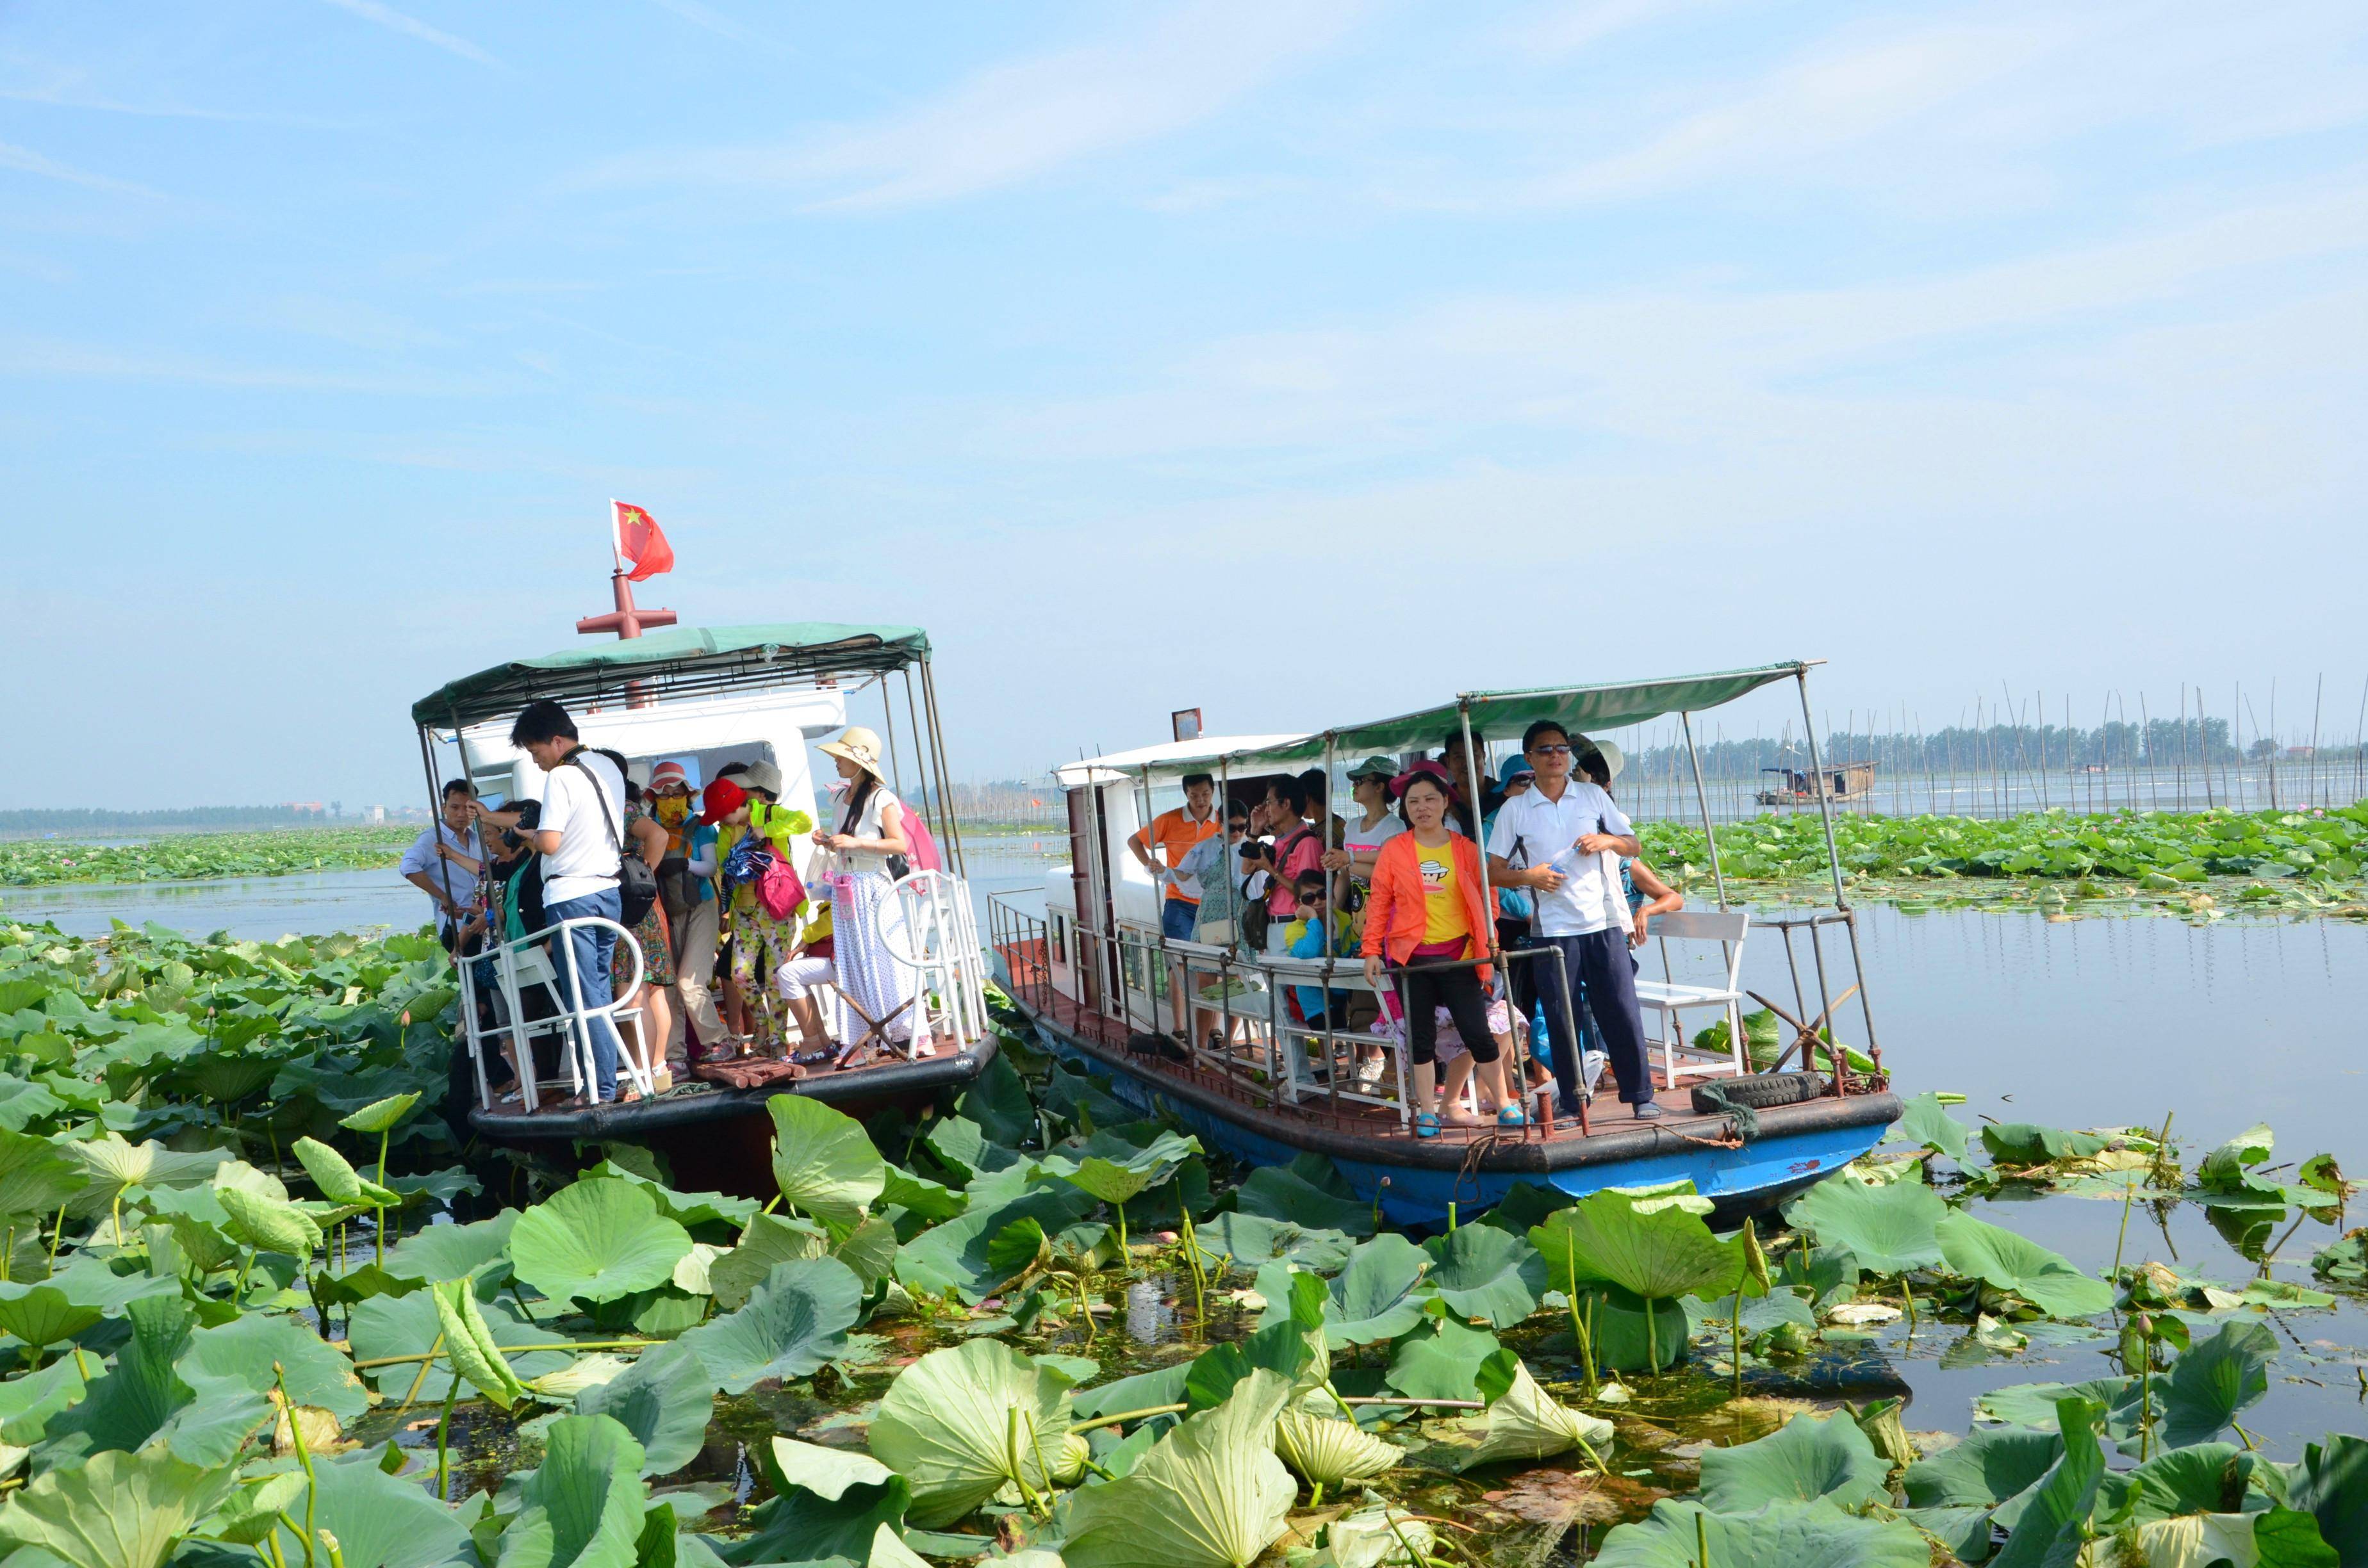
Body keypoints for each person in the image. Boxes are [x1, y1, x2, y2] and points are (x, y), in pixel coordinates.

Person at [1486, 720, 1657, 1122]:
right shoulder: (1515, 808)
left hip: (1602, 923)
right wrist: (1530, 877)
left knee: (1621, 1009)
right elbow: (1492, 871)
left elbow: (1633, 843)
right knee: (1562, 1017)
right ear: (1530, 758)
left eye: (1562, 749)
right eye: (1545, 750)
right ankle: (1572, 1096)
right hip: (1553, 930)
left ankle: (1641, 1095)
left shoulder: (1593, 796)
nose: (1555, 756)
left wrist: (1607, 841)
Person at [1360, 769, 1518, 1136]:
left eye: (1430, 799)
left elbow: (1488, 898)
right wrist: (1371, 951)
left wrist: (1490, 938)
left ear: (1445, 802)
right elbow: (1379, 903)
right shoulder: (1395, 850)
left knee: (1477, 1032)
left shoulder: (1465, 850)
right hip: (1411, 961)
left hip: (1462, 956)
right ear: (1406, 809)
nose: (1422, 807)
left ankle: (1506, 1104)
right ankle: (1428, 1111)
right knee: (1421, 1039)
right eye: (1413, 802)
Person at [496, 700, 629, 1106]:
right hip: (609, 892)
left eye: (537, 753)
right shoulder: (606, 767)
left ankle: (599, 1089)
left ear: (556, 741)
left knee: (582, 997)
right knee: (599, 991)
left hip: (571, 896)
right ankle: (606, 1080)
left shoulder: (562, 777)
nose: (538, 764)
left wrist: (527, 836)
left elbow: (551, 842)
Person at [809, 726, 917, 1055]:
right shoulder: (841, 797)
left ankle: (901, 1029)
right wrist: (828, 840)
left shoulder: (880, 798)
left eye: (842, 757)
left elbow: (899, 843)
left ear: (859, 763)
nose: (837, 762)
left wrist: (856, 842)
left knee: (881, 955)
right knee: (855, 956)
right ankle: (867, 1029)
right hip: (847, 885)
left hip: (871, 883)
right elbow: (845, 841)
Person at [704, 767, 808, 1058]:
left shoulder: (770, 813)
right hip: (746, 910)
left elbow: (804, 822)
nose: (721, 821)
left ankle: (777, 1039)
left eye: (722, 814)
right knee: (740, 973)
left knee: (776, 977)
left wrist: (767, 831)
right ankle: (762, 1025)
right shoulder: (726, 831)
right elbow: (726, 865)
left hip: (776, 906)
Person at [1126, 772, 1221, 1035]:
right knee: (1178, 963)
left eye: (1205, 794)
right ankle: (1179, 1028)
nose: (1200, 800)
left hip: (1213, 905)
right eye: (1194, 795)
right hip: (1178, 902)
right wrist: (1151, 866)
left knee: (1215, 963)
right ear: (1186, 795)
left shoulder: (1223, 822)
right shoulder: (1170, 819)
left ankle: (1214, 1028)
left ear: (1213, 792)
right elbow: (1135, 841)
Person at [605, 754, 676, 1094]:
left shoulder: (620, 809)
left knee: (633, 993)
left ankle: (644, 1073)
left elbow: (659, 836)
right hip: (645, 909)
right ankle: (657, 1067)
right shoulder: (626, 806)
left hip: (631, 909)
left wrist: (640, 877)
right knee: (652, 992)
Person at [648, 763, 727, 1067]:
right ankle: (674, 1059)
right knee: (669, 987)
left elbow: (710, 867)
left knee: (689, 982)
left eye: (677, 793)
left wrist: (683, 865)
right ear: (654, 798)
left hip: (701, 907)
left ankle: (718, 1041)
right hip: (665, 912)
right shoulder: (648, 828)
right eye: (664, 795)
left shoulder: (701, 826)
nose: (671, 799)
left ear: (687, 795)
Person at [400, 780, 485, 949]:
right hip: (456, 926)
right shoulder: (432, 838)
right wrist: (442, 896)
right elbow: (408, 867)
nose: (461, 814)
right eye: (455, 807)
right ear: (444, 808)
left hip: (484, 924)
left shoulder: (478, 839)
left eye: (467, 808)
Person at [1257, 777, 1328, 951]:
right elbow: (1246, 869)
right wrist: (1254, 830)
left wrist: (1271, 870)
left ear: (1286, 804)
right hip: (1274, 924)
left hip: (1295, 924)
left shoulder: (1308, 843)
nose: (1267, 810)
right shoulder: (1279, 841)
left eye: (1269, 802)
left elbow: (1308, 895)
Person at [1320, 756, 1403, 902]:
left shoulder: (1395, 826)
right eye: (1354, 782)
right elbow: (1345, 876)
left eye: (1360, 781)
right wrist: (1336, 911)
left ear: (1379, 787)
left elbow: (1387, 862)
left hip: (1387, 912)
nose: (1354, 786)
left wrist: (1347, 860)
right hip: (1358, 915)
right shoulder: (1352, 825)